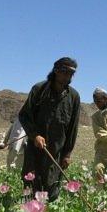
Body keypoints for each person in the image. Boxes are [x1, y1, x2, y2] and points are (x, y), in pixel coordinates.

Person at [18, 57, 81, 201]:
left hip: (56, 152)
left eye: (71, 74)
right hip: (35, 150)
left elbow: (72, 128)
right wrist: (35, 136)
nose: (68, 77)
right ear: (56, 71)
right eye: (65, 73)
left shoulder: (74, 97)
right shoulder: (39, 90)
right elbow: (24, 116)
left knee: (51, 189)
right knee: (31, 185)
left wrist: (67, 154)